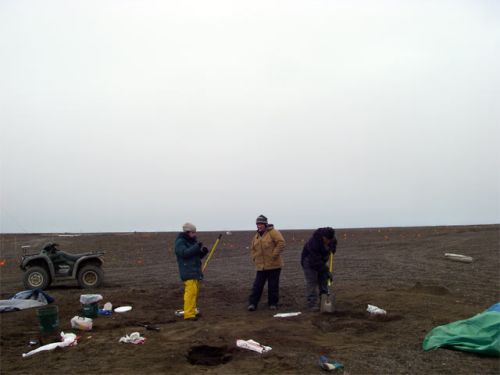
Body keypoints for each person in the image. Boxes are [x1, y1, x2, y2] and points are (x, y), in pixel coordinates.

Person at [248, 215, 286, 311]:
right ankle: (253, 303)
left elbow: (281, 243)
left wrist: (274, 255)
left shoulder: (273, 233)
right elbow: (253, 248)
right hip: (261, 266)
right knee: (257, 285)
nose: (259, 226)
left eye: (261, 224)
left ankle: (273, 303)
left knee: (273, 285)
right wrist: (254, 257)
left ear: (265, 224)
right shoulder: (256, 236)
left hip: (274, 265)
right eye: (257, 224)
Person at [174, 222, 209, 321]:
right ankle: (189, 314)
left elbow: (196, 256)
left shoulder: (192, 242)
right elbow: (184, 254)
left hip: (195, 271)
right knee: (190, 293)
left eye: (195, 232)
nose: (195, 234)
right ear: (187, 232)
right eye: (193, 232)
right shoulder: (180, 242)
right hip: (187, 271)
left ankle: (192, 311)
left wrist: (203, 252)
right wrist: (196, 247)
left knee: (194, 293)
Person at [301, 227, 337, 311]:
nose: (328, 241)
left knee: (324, 280)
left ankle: (324, 300)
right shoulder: (313, 243)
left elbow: (332, 250)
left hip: (321, 260)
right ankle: (312, 304)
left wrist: (332, 249)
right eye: (327, 239)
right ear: (323, 237)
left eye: (330, 240)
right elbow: (315, 261)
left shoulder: (332, 240)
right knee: (312, 281)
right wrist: (326, 270)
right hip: (309, 262)